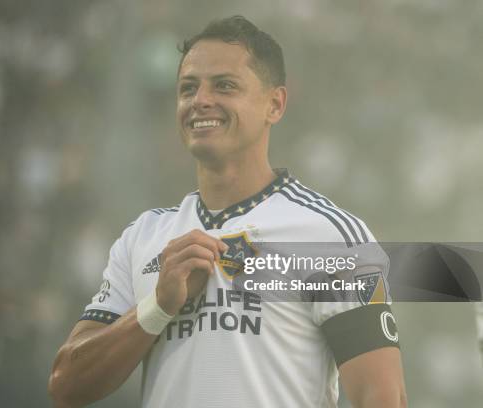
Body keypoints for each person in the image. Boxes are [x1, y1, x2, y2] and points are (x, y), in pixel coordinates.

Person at [49, 16, 407, 408]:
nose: (200, 99)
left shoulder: (332, 236)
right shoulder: (142, 237)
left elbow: (382, 397)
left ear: (275, 104)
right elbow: (66, 385)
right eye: (188, 88)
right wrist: (157, 307)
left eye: (225, 85)